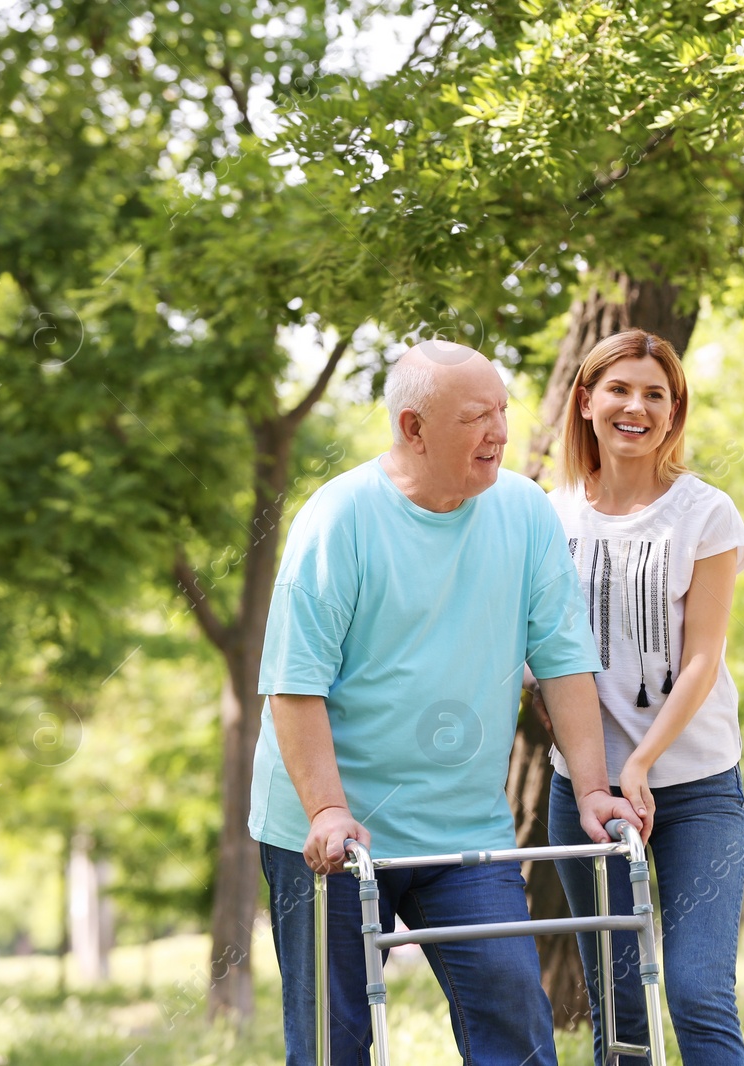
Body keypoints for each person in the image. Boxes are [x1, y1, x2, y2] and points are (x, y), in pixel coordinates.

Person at [252, 341, 641, 1066]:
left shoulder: (525, 513)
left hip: (462, 830)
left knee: (516, 1028)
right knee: (335, 1044)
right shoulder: (338, 521)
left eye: (502, 410)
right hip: (330, 830)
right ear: (412, 428)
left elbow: (564, 662)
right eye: (475, 417)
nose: (498, 430)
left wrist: (594, 788)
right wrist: (328, 811)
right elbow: (294, 685)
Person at [540, 329, 744, 1065]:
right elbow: (540, 661)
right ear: (587, 401)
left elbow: (702, 659)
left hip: (694, 788)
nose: (637, 406)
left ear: (674, 411)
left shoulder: (706, 513)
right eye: (620, 389)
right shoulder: (550, 515)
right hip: (583, 795)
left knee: (697, 992)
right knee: (619, 1006)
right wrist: (598, 774)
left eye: (656, 394)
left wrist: (642, 764)